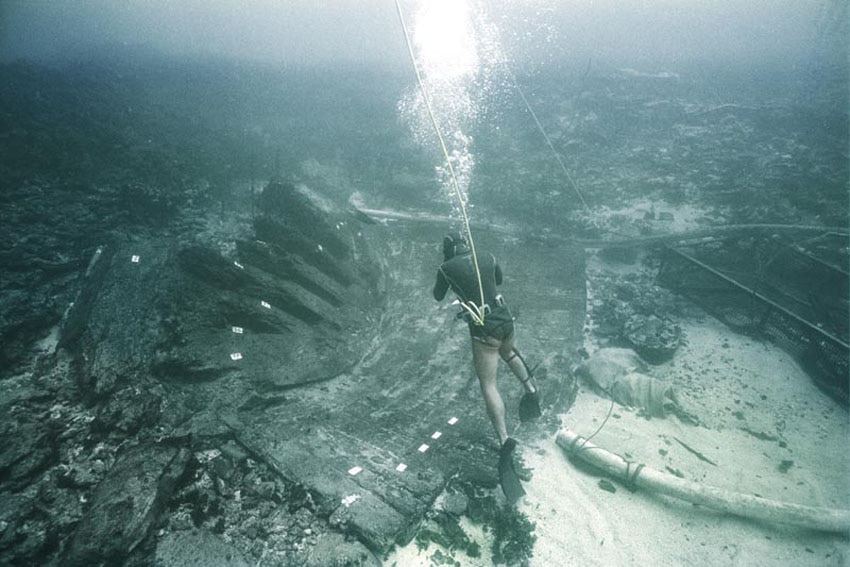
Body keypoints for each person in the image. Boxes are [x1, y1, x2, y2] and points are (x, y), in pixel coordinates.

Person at [432, 232, 540, 458]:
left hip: (484, 329)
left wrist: (450, 274)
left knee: (488, 384)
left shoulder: (446, 268)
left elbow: (437, 295)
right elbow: (497, 280)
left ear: (448, 250)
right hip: (505, 319)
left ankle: (504, 439)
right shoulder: (487, 256)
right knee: (508, 352)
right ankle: (531, 389)